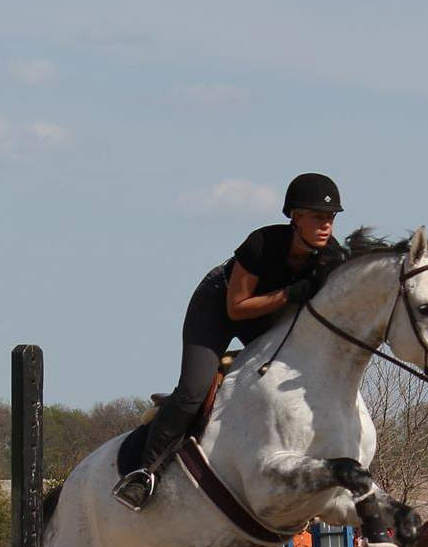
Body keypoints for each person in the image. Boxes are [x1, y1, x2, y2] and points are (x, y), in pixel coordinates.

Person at [113, 173, 348, 510]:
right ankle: (143, 473)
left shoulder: (330, 258)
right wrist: (290, 293)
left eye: (330, 218)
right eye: (317, 217)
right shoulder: (262, 245)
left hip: (268, 318)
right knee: (194, 390)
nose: (326, 225)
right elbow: (236, 309)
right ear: (294, 217)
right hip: (217, 307)